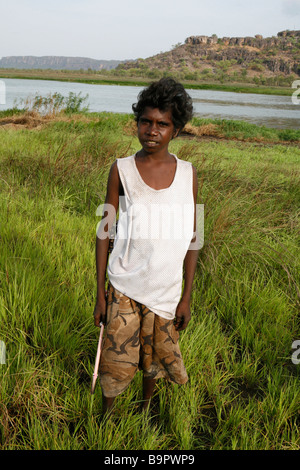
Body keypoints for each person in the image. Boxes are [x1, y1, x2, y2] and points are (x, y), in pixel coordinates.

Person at [93, 77, 199, 414]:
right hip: (124, 285)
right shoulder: (121, 170)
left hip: (166, 291)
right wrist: (100, 293)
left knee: (153, 361)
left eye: (162, 124)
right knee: (116, 359)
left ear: (176, 130)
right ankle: (107, 418)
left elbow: (195, 235)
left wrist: (186, 296)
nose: (152, 131)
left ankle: (146, 409)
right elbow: (104, 231)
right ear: (137, 123)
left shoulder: (188, 173)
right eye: (146, 122)